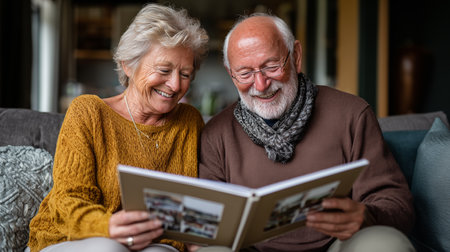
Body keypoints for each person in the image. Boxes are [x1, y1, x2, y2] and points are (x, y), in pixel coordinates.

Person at [198, 13, 416, 252]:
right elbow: (205, 222)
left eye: (271, 66)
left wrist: (368, 216)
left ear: (296, 56)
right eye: (245, 73)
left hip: (338, 245)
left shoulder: (352, 114)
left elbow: (397, 204)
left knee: (386, 244)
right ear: (231, 74)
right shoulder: (216, 133)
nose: (260, 85)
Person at [28, 4, 208, 252]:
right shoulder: (89, 112)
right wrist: (109, 226)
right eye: (164, 70)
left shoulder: (189, 121)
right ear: (128, 65)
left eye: (186, 74)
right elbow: (68, 200)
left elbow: (189, 204)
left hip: (152, 243)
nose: (175, 84)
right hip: (73, 239)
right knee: (109, 249)